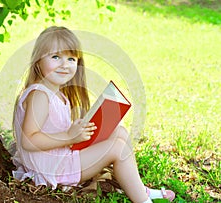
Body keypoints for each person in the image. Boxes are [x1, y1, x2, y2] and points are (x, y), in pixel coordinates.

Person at [12, 26, 175, 203]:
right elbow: (29, 141)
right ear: (38, 61)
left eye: (71, 58)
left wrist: (80, 131)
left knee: (119, 132)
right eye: (55, 57)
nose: (64, 65)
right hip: (52, 169)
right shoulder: (39, 95)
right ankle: (143, 200)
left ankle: (139, 189)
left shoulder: (57, 94)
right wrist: (68, 136)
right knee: (118, 148)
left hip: (60, 158)